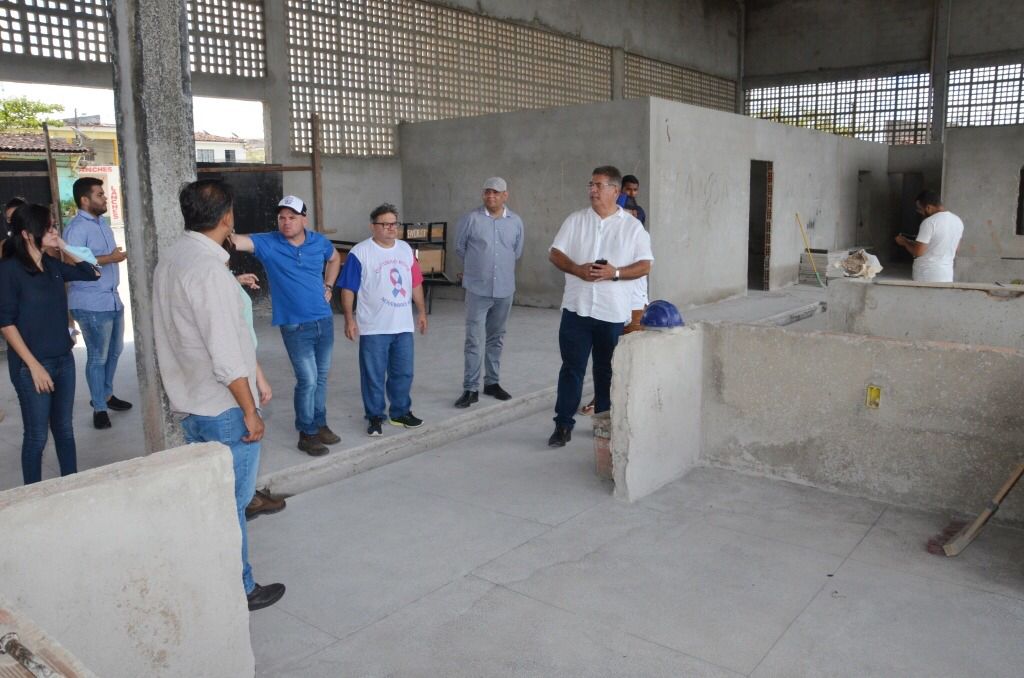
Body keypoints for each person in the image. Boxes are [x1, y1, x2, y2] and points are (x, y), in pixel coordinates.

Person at [153, 179, 285, 611]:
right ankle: (239, 588)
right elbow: (226, 353)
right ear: (227, 216)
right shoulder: (208, 270)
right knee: (232, 504)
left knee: (212, 499)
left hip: (191, 402)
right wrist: (250, 410)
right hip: (223, 407)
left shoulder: (174, 257)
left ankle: (209, 576)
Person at [547, 166, 653, 447]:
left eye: (598, 185)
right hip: (577, 310)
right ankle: (563, 425)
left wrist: (614, 273)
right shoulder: (576, 221)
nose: (592, 190)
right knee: (572, 369)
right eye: (591, 185)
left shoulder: (632, 227)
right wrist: (577, 269)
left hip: (612, 312)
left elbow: (645, 265)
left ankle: (604, 427)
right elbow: (555, 253)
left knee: (606, 371)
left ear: (615, 191)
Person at [230, 196, 342, 456]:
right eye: (282, 217)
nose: (286, 222)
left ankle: (320, 423)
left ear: (304, 219)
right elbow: (234, 241)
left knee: (321, 377)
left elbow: (335, 258)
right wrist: (221, 223)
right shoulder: (268, 243)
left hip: (323, 320)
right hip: (295, 325)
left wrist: (328, 285)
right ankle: (307, 433)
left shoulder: (318, 242)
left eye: (292, 217)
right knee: (308, 380)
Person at [0, 203, 100, 484]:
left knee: (65, 430)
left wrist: (64, 246)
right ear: (27, 234)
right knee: (36, 436)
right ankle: (32, 494)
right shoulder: (9, 270)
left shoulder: (52, 265)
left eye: (54, 226)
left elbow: (92, 272)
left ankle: (71, 485)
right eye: (48, 228)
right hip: (32, 366)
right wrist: (34, 366)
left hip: (63, 360)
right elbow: (6, 323)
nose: (55, 231)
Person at [338, 203, 428, 436]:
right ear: (373, 226)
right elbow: (348, 289)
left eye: (394, 224)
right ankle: (375, 416)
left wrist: (421, 312)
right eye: (385, 224)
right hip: (374, 327)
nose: (391, 228)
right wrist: (349, 319)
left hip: (403, 326)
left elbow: (415, 283)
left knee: (403, 373)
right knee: (373, 376)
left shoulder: (406, 250)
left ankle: (400, 412)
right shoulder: (360, 252)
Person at [64, 177, 132, 430]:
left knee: (115, 351)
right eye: (100, 195)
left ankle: (106, 395)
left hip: (111, 299)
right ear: (85, 200)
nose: (104, 198)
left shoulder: (102, 223)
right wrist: (110, 258)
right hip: (90, 302)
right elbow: (71, 260)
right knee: (97, 357)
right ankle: (99, 408)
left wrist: (113, 257)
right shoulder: (76, 228)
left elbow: (100, 257)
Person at [452, 177, 524, 408]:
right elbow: (459, 247)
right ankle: (470, 388)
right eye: (487, 192)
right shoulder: (471, 219)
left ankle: (492, 383)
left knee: (496, 337)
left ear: (505, 195)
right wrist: (477, 268)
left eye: (496, 192)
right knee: (474, 339)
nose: (491, 196)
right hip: (477, 289)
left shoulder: (515, 222)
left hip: (504, 289)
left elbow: (517, 251)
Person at [895, 190, 964, 283]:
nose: (920, 213)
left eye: (920, 209)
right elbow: (955, 249)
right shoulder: (957, 221)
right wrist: (912, 242)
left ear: (928, 207)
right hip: (946, 275)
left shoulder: (929, 222)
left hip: (927, 275)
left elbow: (918, 252)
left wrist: (905, 242)